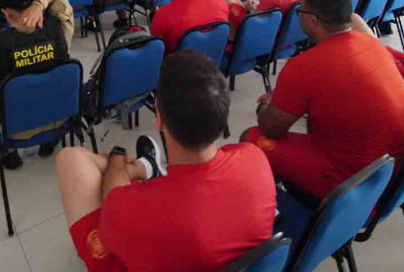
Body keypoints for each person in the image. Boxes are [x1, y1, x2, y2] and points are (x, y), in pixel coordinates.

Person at [57, 50, 275, 272]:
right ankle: (146, 168)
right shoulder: (256, 158)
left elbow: (112, 197)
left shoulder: (131, 214)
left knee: (70, 158)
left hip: (140, 240)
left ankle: (143, 168)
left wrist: (117, 157)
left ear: (159, 119)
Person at [242, 0, 404, 199]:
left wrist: (266, 104)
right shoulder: (370, 42)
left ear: (313, 20)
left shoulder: (303, 66)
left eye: (301, 12)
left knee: (252, 137)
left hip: (358, 179)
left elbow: (270, 128)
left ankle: (268, 205)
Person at [0, 0, 73, 169]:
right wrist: (40, 4)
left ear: (6, 13)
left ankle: (5, 152)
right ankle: (50, 140)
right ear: (32, 5)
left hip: (16, 130)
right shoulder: (62, 27)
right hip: (60, 114)